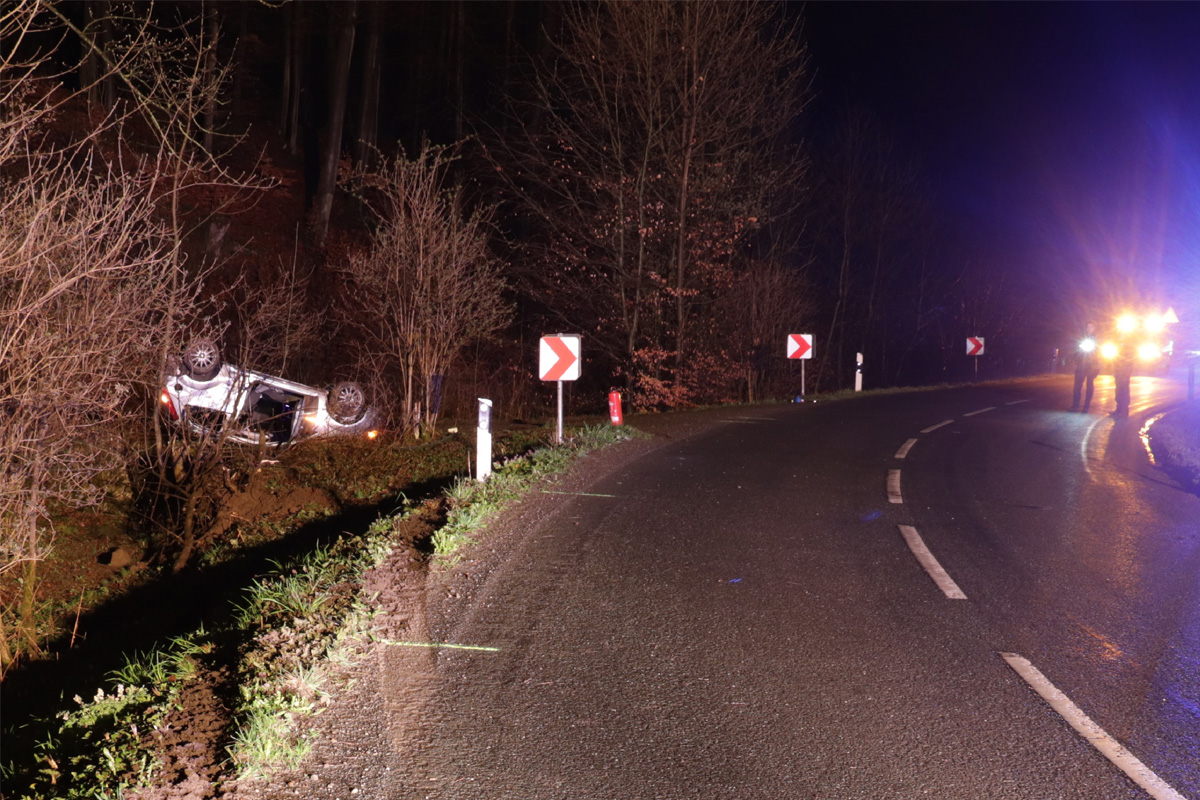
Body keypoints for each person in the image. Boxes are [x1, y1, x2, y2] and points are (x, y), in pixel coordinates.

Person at [1070, 322, 1099, 412]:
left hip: (1092, 365)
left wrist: (1097, 365)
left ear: (1094, 328)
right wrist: (1076, 360)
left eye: (1091, 326)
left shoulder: (1098, 338)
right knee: (1077, 386)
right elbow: (1076, 349)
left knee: (1089, 385)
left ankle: (1086, 406)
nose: (1089, 328)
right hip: (1081, 365)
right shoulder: (1081, 337)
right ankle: (1075, 405)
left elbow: (1100, 352)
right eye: (1088, 326)